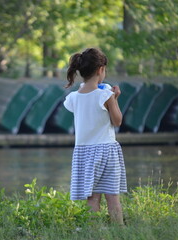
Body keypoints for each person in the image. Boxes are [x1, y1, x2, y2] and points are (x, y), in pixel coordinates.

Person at [63, 48, 127, 225]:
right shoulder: (105, 95)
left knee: (92, 198)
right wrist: (115, 99)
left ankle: (95, 233)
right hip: (106, 151)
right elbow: (117, 120)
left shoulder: (74, 97)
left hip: (84, 153)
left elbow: (85, 107)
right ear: (100, 69)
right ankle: (119, 232)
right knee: (112, 197)